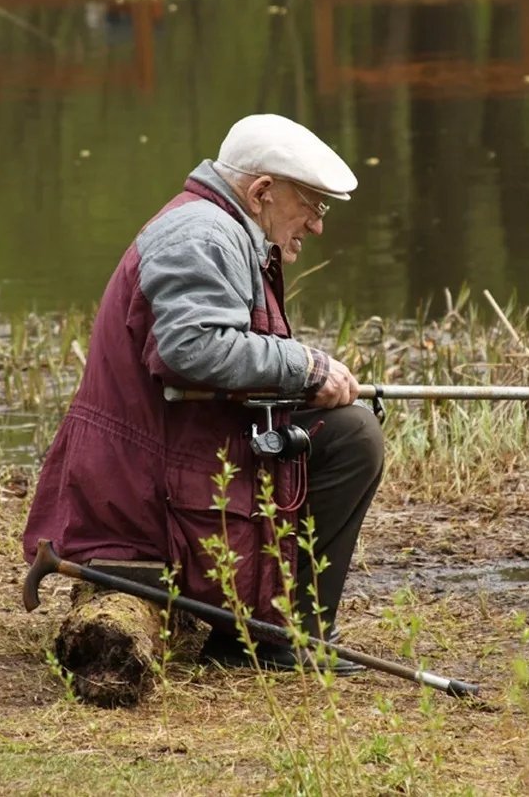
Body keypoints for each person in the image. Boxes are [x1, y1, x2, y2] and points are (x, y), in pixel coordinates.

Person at [22, 114, 383, 676]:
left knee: (342, 428)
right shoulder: (201, 235)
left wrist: (301, 387)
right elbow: (192, 348)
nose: (316, 225)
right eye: (312, 204)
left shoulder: (218, 228)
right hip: (143, 482)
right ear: (262, 191)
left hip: (165, 454)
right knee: (354, 437)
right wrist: (307, 367)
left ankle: (278, 630)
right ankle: (275, 640)